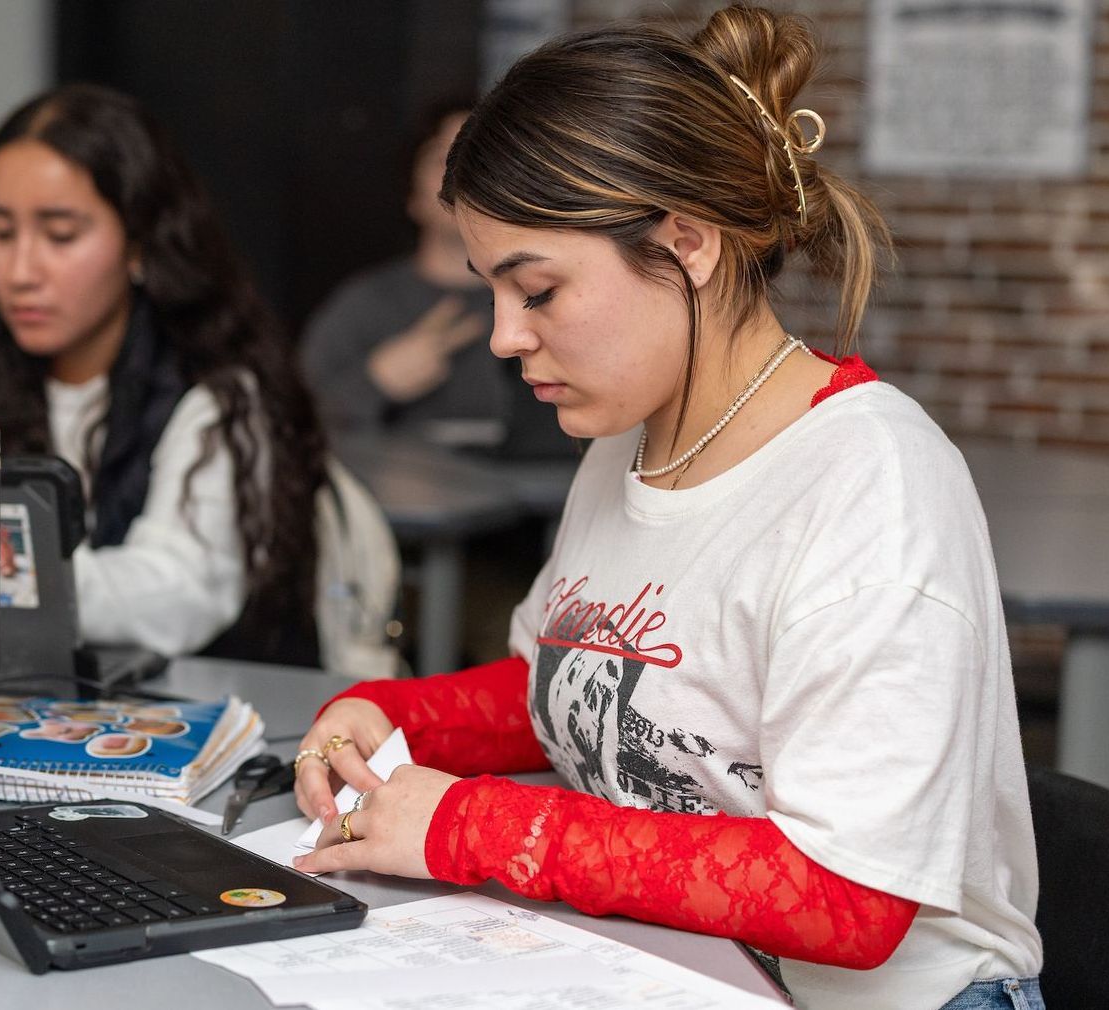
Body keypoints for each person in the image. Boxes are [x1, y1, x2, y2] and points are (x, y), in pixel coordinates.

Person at [289, 7, 1043, 1009]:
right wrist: (393, 716)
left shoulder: (874, 481)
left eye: (538, 291)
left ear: (686, 244)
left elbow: (848, 898)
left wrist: (472, 825)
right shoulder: (627, 435)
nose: (504, 338)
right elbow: (585, 684)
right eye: (492, 293)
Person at [0, 84, 326, 664]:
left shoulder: (217, 389)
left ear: (139, 243)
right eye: (1, 233)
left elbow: (180, 593)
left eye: (60, 235)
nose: (20, 271)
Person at [300, 100, 506, 434]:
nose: (467, 174)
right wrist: (376, 381)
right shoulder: (364, 305)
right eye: (445, 158)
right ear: (412, 194)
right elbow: (289, 424)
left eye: (485, 157)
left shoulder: (545, 296)